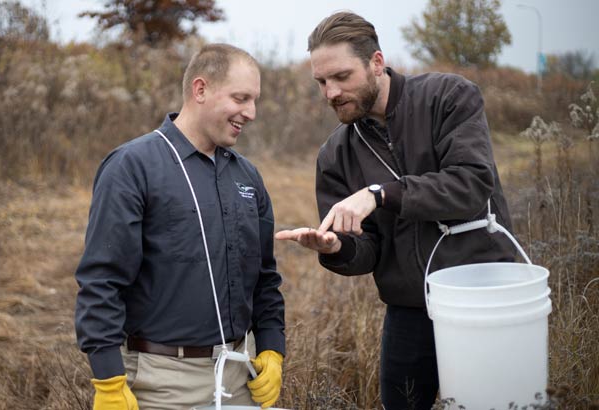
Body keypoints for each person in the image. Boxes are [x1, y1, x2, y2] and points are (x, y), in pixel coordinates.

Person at [275, 11, 516, 410]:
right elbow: (368, 251)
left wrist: (380, 194)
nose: (330, 92)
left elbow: (472, 184)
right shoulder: (335, 154)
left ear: (376, 63)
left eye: (341, 77)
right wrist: (336, 249)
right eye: (321, 82)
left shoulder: (448, 97)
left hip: (482, 295)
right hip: (408, 312)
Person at [75, 43, 285, 410]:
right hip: (161, 383)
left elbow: (265, 277)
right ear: (200, 89)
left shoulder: (247, 176)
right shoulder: (132, 167)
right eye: (241, 98)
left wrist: (272, 347)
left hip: (240, 375)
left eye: (255, 101)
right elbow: (101, 281)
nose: (251, 113)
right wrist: (108, 378)